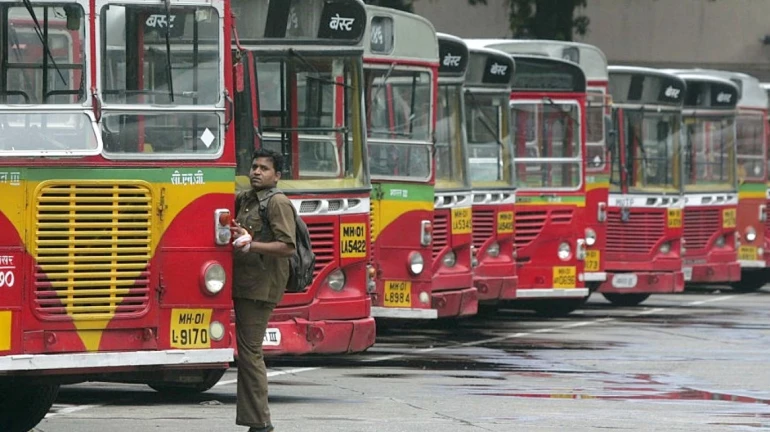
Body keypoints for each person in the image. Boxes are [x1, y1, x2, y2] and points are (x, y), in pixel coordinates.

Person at [231, 148, 296, 432]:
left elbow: (286, 246)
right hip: (243, 282)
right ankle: (257, 421)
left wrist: (251, 245)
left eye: (264, 169)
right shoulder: (246, 199)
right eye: (254, 167)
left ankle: (260, 423)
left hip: (261, 287)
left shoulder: (277, 202)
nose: (256, 172)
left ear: (277, 176)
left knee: (250, 352)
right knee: (246, 352)